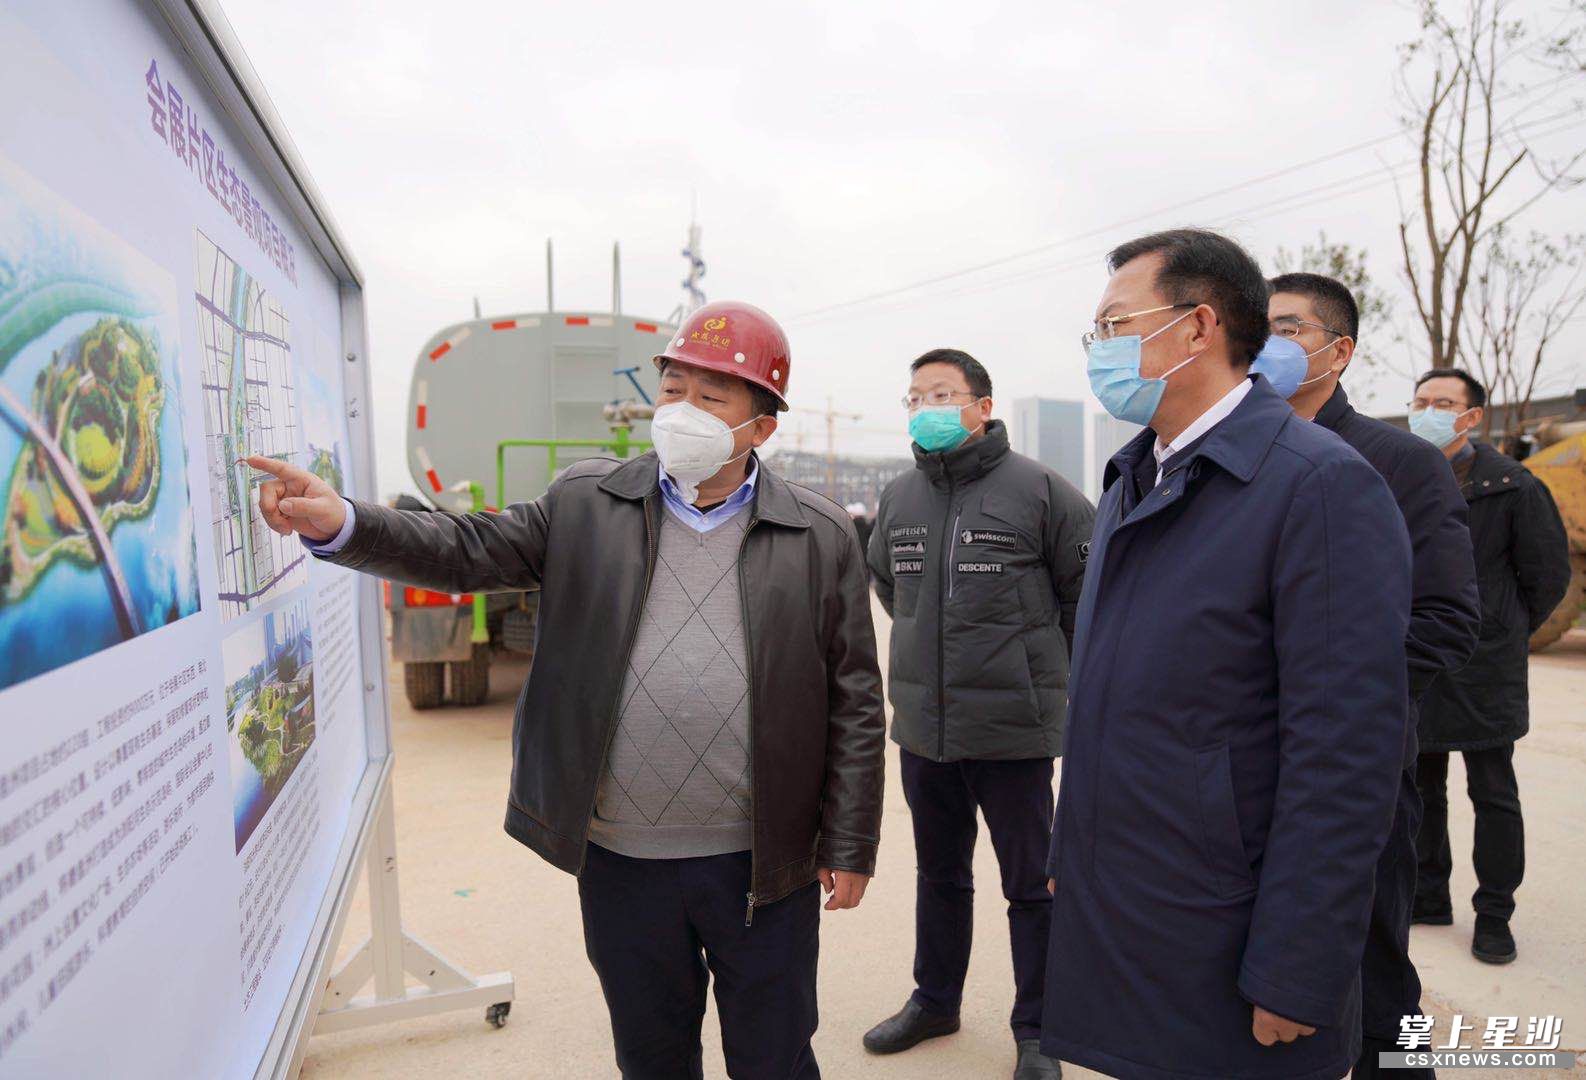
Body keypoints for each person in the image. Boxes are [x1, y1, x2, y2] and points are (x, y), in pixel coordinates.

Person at [247, 300, 886, 1080]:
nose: (682, 411)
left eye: (712, 397)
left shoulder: (818, 533)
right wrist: (342, 520)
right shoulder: (589, 502)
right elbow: (465, 549)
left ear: (760, 428)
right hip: (623, 860)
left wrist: (851, 842)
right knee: (651, 1056)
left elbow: (854, 696)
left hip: (761, 865)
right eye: (674, 388)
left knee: (775, 1057)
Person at [1041, 229, 1413, 1080]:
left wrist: (1298, 966)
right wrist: (1074, 852)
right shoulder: (1139, 477)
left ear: (1199, 326)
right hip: (1137, 899)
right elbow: (1110, 700)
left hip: (1231, 921)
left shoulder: (1317, 485)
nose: (1101, 351)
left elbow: (1346, 755)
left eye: (1115, 325)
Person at [1259, 274, 1480, 1078]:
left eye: (1286, 327)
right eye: (1257, 326)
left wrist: (1338, 698)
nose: (1265, 343)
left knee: (1378, 971)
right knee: (1271, 975)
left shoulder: (1401, 464)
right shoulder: (1236, 456)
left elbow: (1448, 620)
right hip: (1246, 766)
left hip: (1358, 766)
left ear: (1337, 350)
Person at [862, 349, 1093, 1080]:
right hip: (925, 730)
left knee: (1032, 884)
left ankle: (1042, 1029)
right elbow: (892, 591)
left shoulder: (1044, 492)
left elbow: (1083, 597)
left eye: (943, 393)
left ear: (981, 406)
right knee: (940, 874)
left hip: (1015, 732)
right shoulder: (899, 497)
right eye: (915, 395)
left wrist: (1041, 676)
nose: (926, 406)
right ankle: (935, 1001)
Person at [1408, 368, 1571, 966]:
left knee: (1492, 791)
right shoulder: (1402, 480)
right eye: (1421, 401)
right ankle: (1427, 894)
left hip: (1486, 667)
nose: (1429, 411)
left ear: (1471, 416)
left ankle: (1494, 913)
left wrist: (1502, 632)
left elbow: (1548, 576)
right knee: (1421, 786)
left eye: (1443, 403)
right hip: (1419, 658)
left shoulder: (1513, 485)